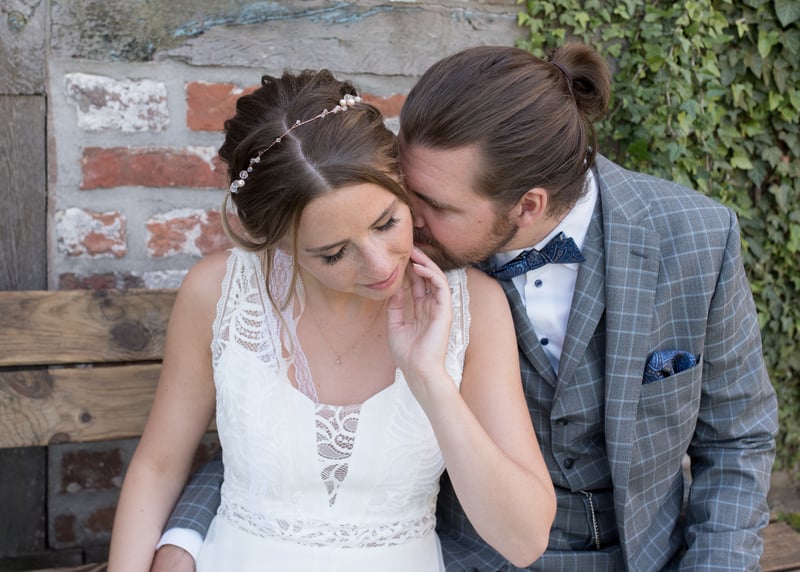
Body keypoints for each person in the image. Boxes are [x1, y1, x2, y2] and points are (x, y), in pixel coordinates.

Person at [152, 42, 779, 571]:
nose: (405, 222)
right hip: (471, 559)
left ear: (526, 207)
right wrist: (185, 536)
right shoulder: (391, 265)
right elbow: (287, 425)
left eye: (431, 206)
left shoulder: (696, 238)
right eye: (404, 190)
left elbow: (738, 440)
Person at [107, 69, 556, 572]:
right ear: (276, 242)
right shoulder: (217, 291)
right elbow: (159, 466)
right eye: (333, 253)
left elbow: (524, 540)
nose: (381, 266)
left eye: (387, 222)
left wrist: (431, 379)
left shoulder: (475, 305)